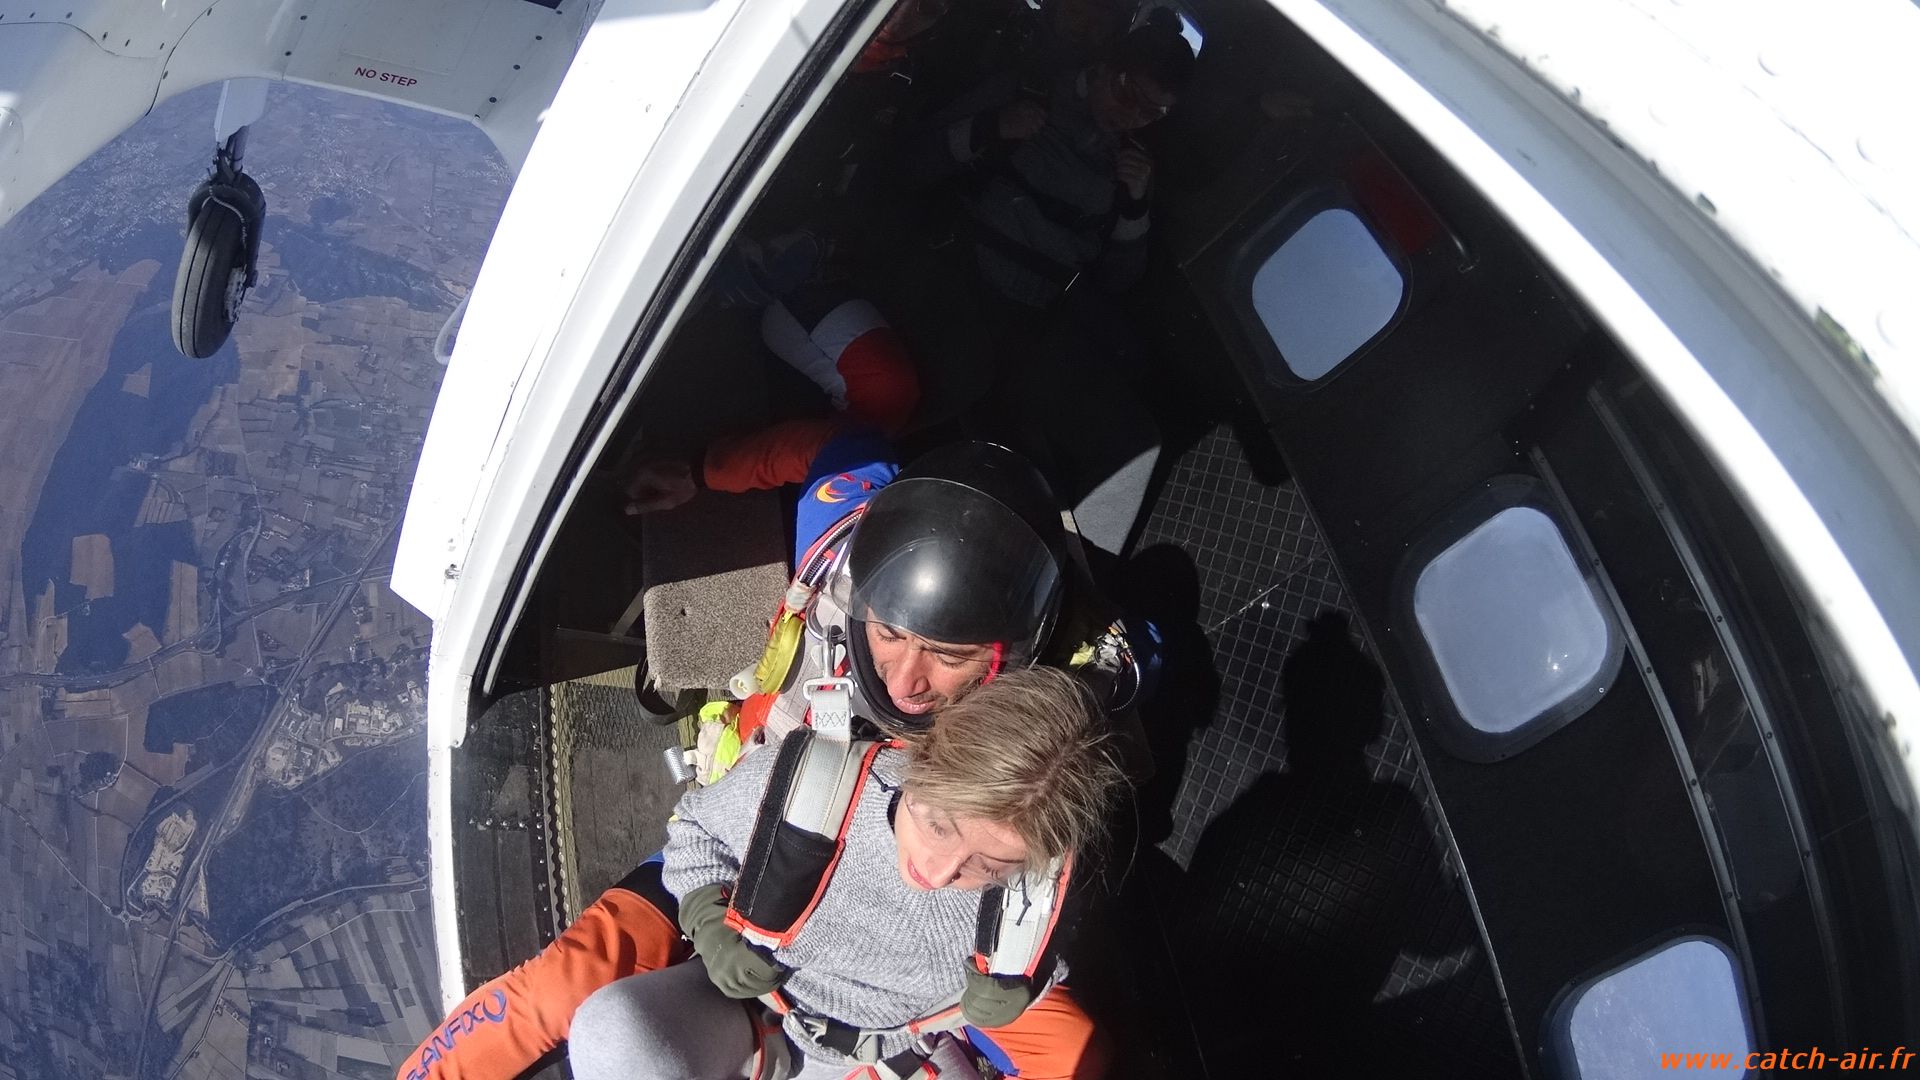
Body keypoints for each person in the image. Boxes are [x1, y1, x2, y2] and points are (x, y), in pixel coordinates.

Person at [396, 344, 1145, 1080]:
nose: (905, 683)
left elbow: (1058, 840)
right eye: (889, 634)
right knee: (559, 993)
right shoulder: (843, 550)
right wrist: (701, 472)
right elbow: (839, 449)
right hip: (749, 831)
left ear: (1012, 655)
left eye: (949, 656)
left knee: (1076, 1057)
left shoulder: (1062, 693)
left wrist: (1022, 962)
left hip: (922, 911)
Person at [567, 665, 1127, 1080]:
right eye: (938, 826)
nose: (938, 872)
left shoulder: (1035, 888)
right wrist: (709, 924)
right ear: (919, 760)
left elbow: (1047, 950)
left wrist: (1023, 983)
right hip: (748, 1005)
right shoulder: (816, 790)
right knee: (612, 1039)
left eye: (987, 866)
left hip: (890, 1055)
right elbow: (696, 831)